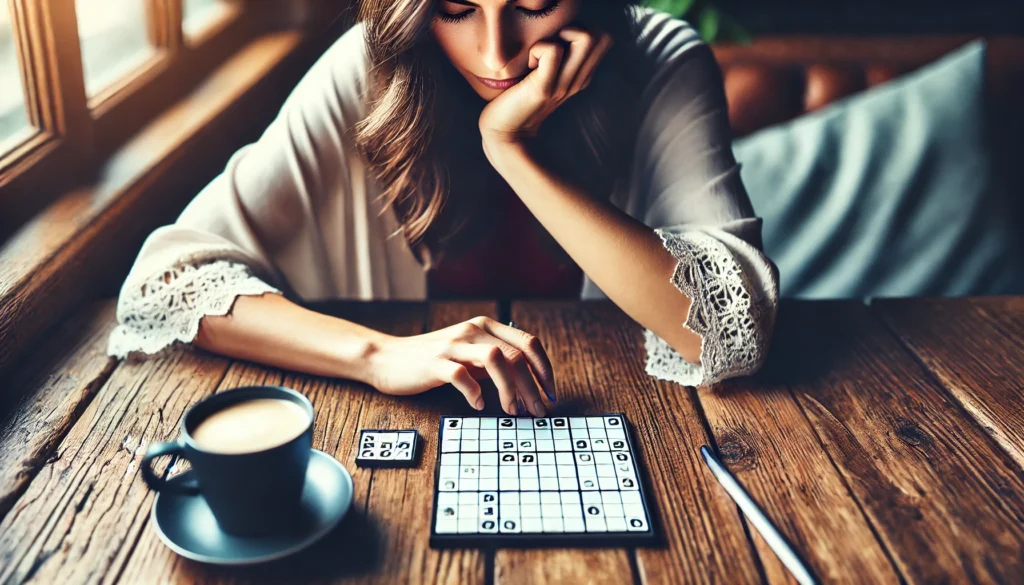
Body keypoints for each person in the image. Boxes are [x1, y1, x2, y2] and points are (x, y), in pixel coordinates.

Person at [107, 0, 779, 417]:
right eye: (459, 8)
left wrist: (508, 147)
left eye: (535, 2)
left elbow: (727, 330)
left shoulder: (665, 65)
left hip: (630, 424)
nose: (497, 53)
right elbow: (169, 283)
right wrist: (376, 355)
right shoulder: (368, 74)